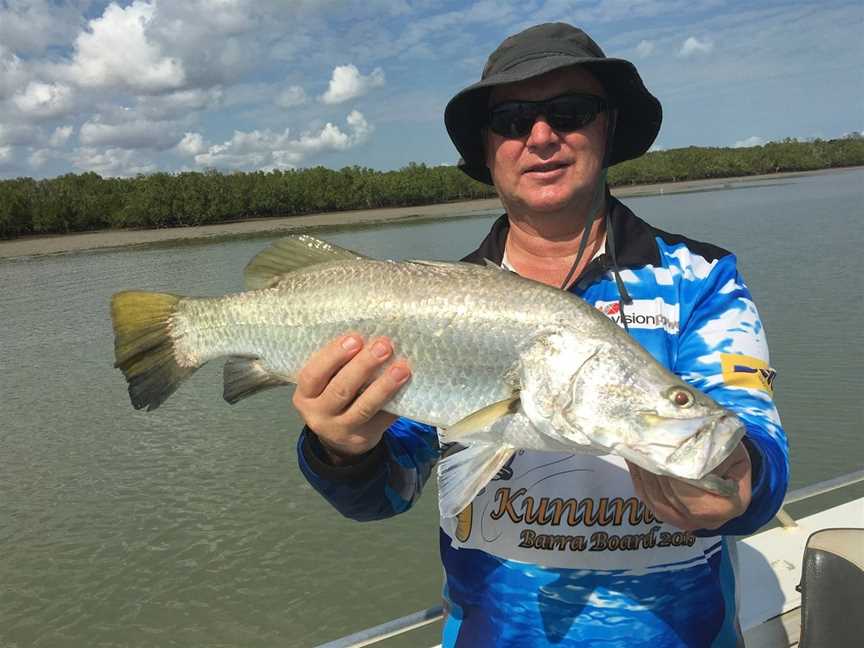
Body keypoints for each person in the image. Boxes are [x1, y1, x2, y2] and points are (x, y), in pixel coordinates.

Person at [294, 22, 788, 648]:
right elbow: (388, 493)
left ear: (608, 128)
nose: (542, 136)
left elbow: (758, 444)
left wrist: (740, 480)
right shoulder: (433, 307)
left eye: (570, 112)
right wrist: (341, 449)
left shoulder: (703, 280)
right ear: (487, 149)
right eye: (512, 119)